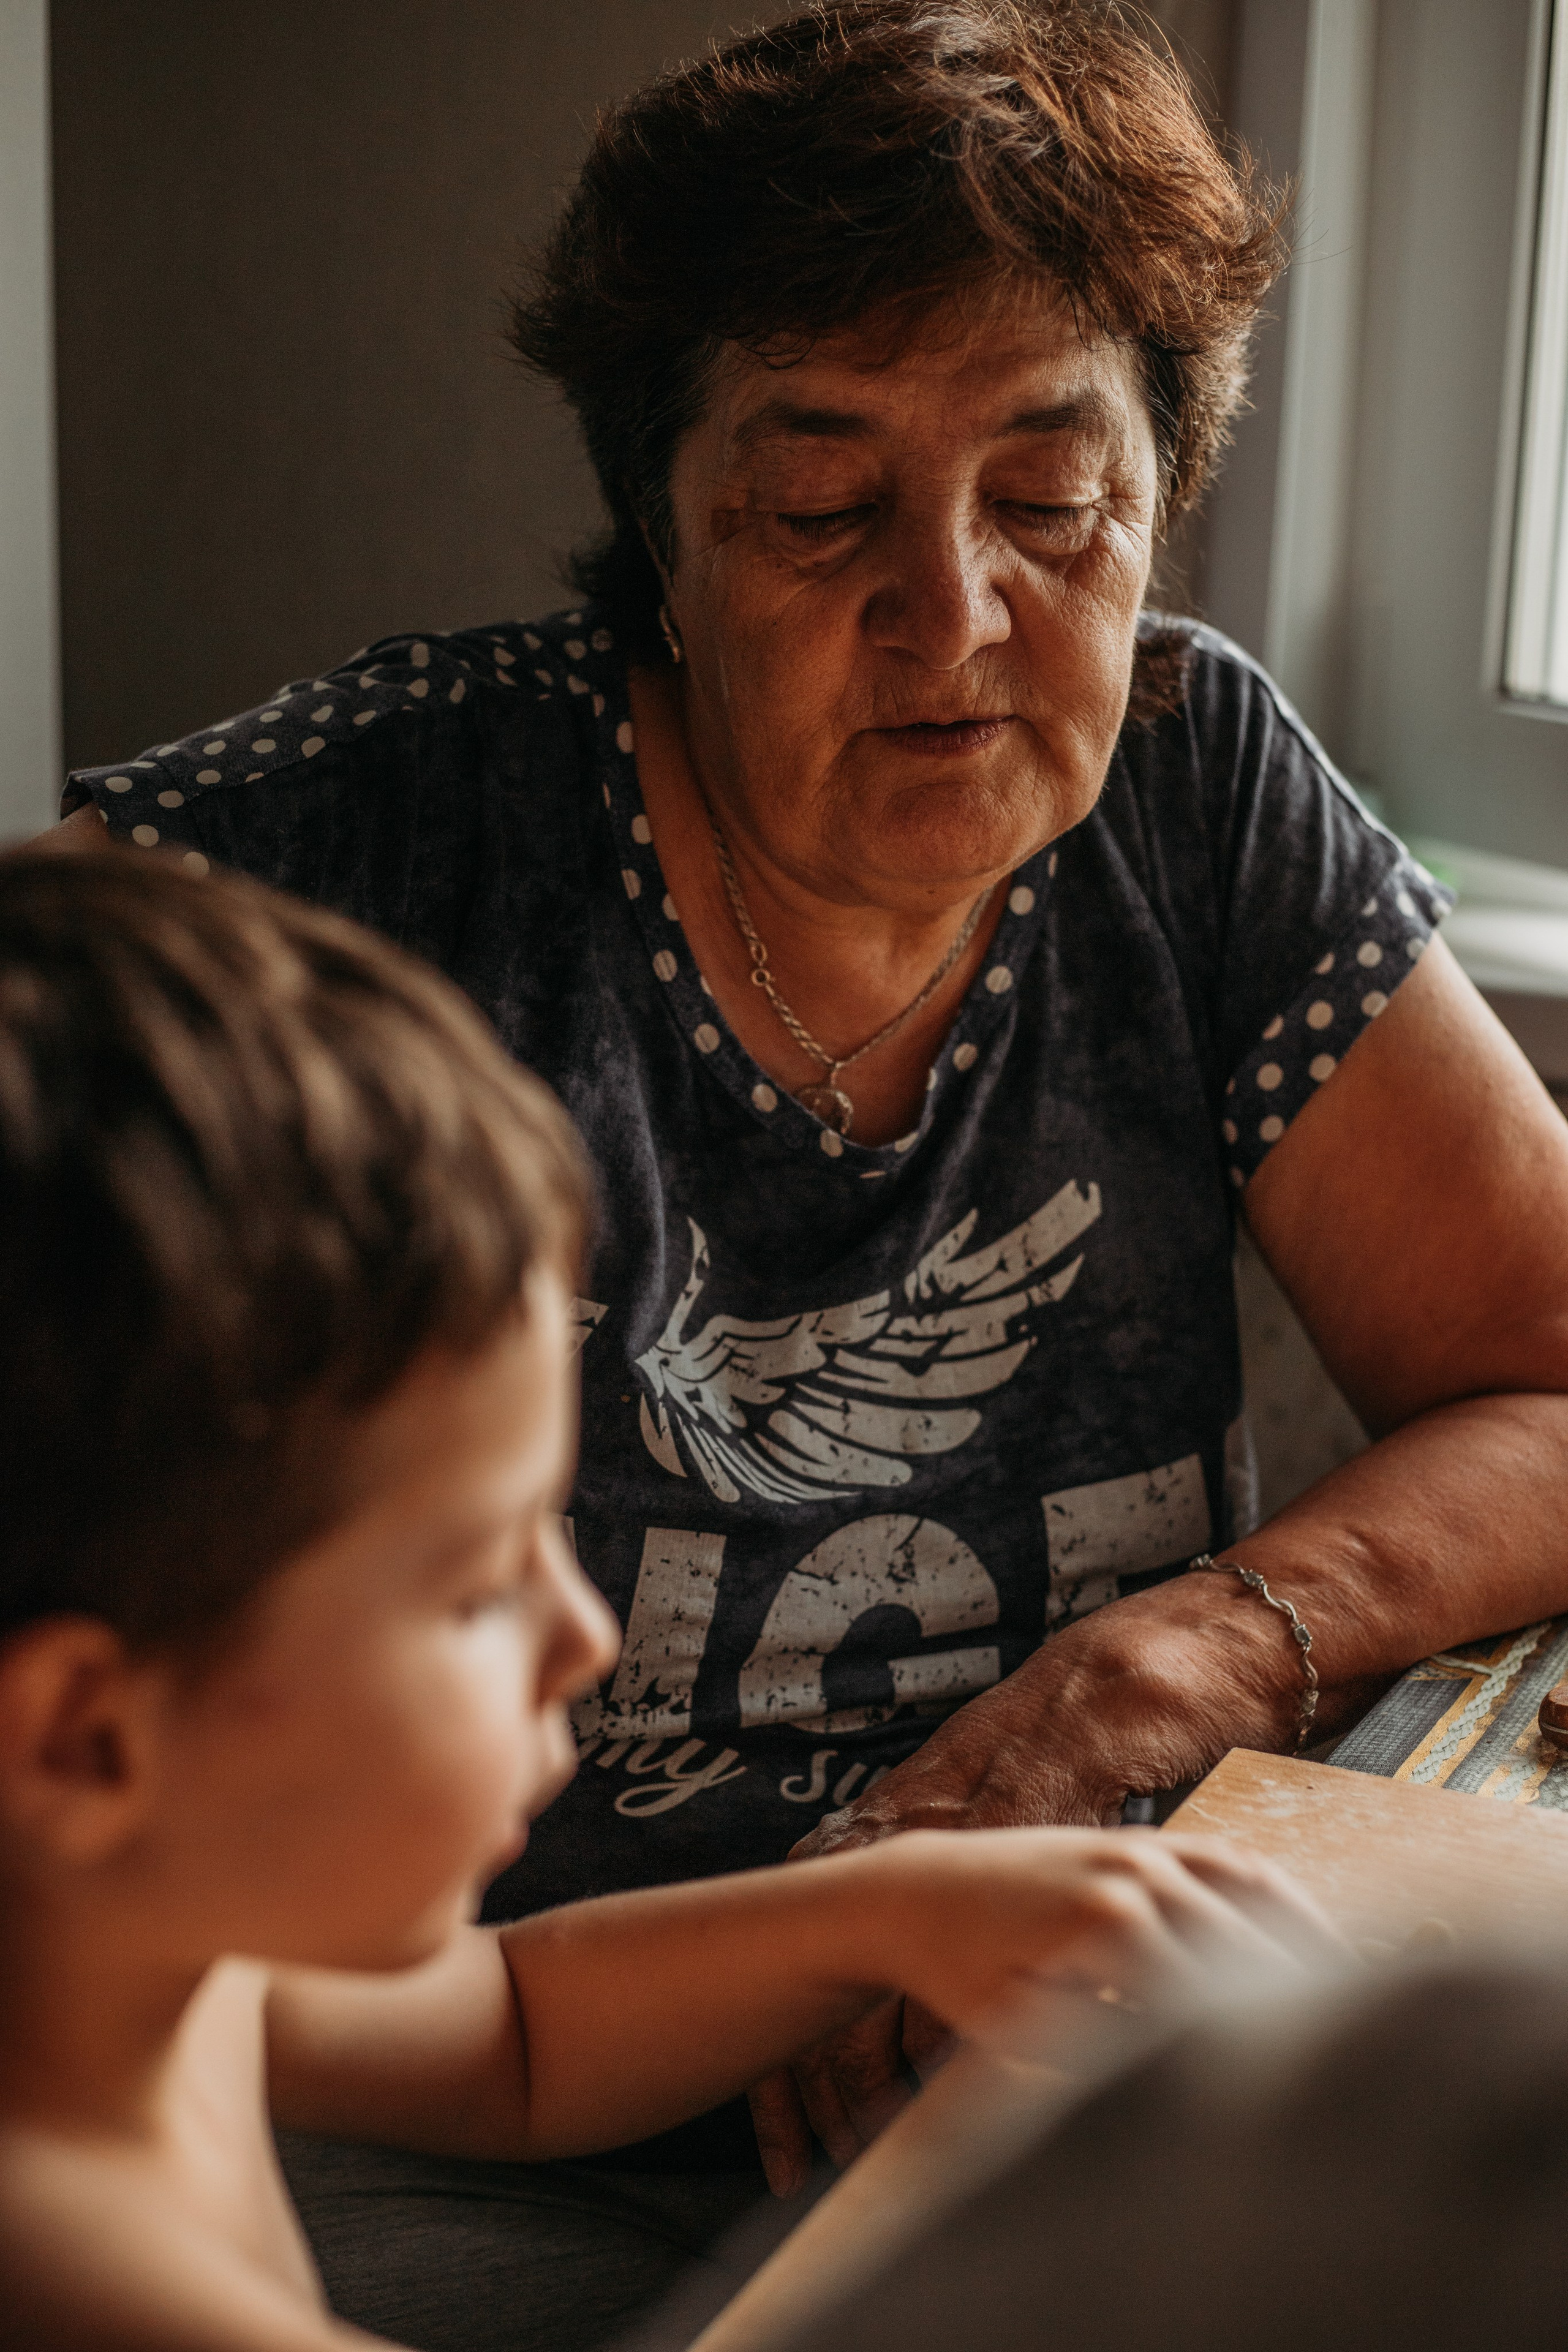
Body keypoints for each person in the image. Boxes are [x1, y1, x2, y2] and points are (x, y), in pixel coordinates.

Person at [45, 0, 1568, 2335]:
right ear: (660, 539)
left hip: (1013, 2020)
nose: (953, 612)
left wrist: (1159, 1666)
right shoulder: (346, 868)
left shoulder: (1195, 790)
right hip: (435, 2106)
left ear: (1162, 497)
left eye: (1050, 500)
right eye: (822, 508)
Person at [0, 845, 1336, 2352]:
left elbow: (515, 2036)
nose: (580, 1634)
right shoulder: (64, 2263)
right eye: (473, 1588)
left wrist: (898, 1913)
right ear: (85, 1740)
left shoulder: (153, 1950)